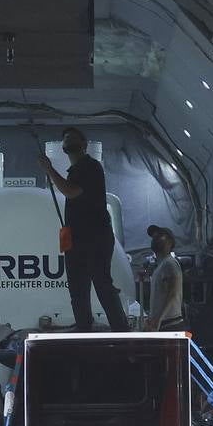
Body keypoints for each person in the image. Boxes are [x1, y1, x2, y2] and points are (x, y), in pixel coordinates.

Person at [36, 128, 128, 333]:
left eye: (72, 139)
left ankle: (119, 328)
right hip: (78, 238)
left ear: (84, 145)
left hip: (94, 237)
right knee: (78, 286)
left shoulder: (90, 167)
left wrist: (49, 169)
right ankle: (84, 326)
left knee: (101, 283)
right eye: (66, 140)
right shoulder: (77, 170)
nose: (68, 142)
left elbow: (71, 191)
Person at [144, 225, 187, 332]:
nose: (155, 237)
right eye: (154, 236)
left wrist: (157, 319)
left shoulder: (170, 263)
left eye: (160, 235)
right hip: (165, 324)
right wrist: (152, 317)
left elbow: (172, 292)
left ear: (170, 242)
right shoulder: (161, 267)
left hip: (170, 325)